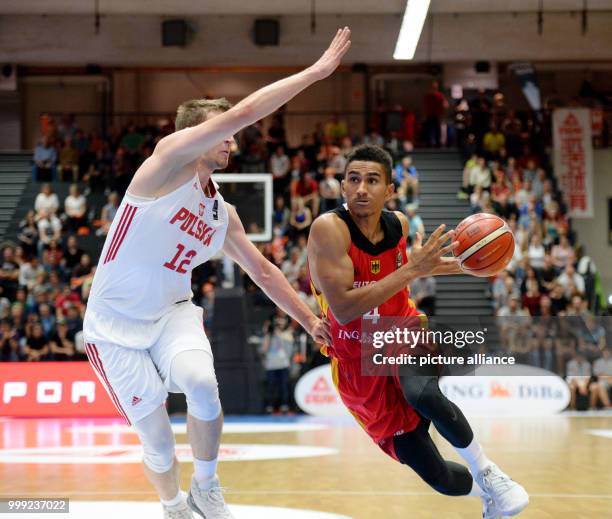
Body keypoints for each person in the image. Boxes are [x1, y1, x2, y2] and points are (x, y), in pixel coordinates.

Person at [82, 28, 349, 519]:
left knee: (203, 383)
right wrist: (316, 73)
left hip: (172, 315)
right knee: (158, 441)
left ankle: (206, 487)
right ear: (193, 136)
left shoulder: (220, 213)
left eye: (230, 133)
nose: (231, 138)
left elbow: (265, 273)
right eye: (220, 131)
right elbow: (244, 112)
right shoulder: (165, 166)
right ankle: (173, 506)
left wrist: (310, 319)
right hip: (113, 326)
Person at [307, 144, 529, 519]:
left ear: (390, 190)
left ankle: (489, 472)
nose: (361, 188)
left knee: (421, 392)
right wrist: (412, 270)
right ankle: (484, 494)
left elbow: (414, 269)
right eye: (353, 179)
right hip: (356, 361)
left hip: (402, 330)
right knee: (438, 476)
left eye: (372, 180)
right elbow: (344, 310)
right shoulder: (329, 230)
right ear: (342, 187)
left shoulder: (399, 225)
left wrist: (472, 264)